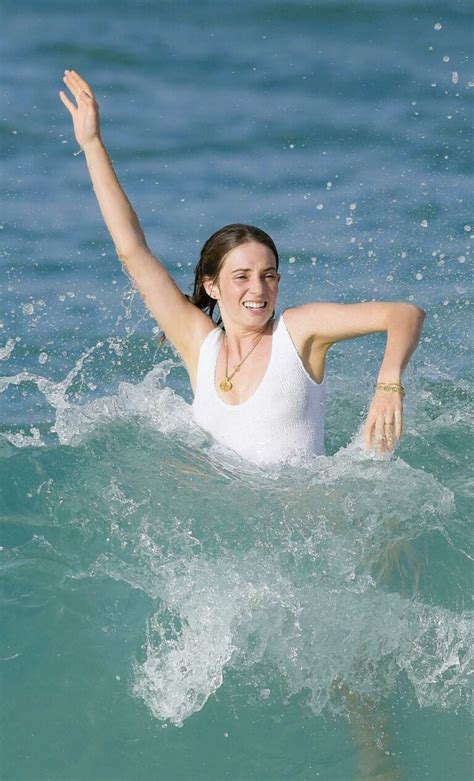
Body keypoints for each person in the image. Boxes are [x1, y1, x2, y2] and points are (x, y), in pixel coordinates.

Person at [59, 70, 426, 465]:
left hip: (306, 515)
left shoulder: (299, 333)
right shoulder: (200, 345)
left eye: (268, 276)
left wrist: (389, 383)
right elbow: (132, 251)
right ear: (212, 286)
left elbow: (404, 313)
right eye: (242, 276)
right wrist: (93, 144)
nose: (258, 289)